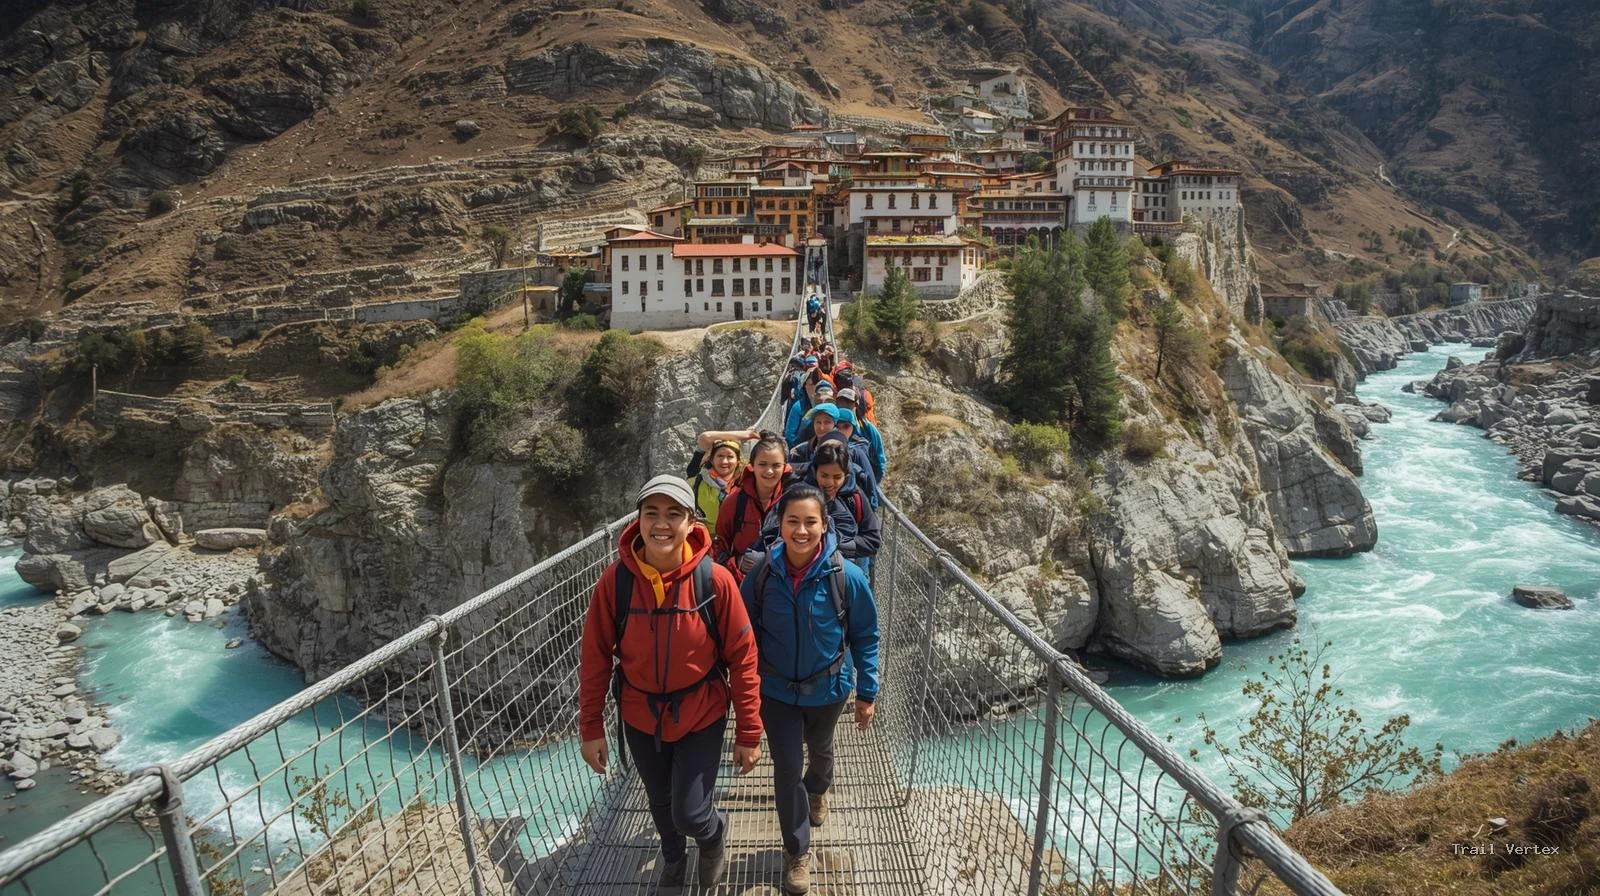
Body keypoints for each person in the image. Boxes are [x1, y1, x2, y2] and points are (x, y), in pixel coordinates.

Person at [579, 475, 763, 890]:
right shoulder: (616, 582)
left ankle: (713, 837)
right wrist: (591, 727)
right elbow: (594, 658)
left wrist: (749, 731)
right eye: (652, 513)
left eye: (673, 514)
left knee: (690, 812)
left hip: (701, 711)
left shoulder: (715, 581)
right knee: (660, 801)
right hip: (640, 714)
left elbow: (743, 658)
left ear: (690, 522)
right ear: (638, 520)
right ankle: (674, 859)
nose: (661, 523)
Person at [741, 483, 879, 895]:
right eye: (792, 522)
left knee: (820, 752)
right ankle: (796, 851)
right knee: (785, 770)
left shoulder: (847, 576)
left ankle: (819, 788)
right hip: (777, 692)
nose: (801, 531)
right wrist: (742, 692)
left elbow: (866, 635)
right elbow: (742, 636)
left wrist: (867, 692)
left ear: (824, 525)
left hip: (829, 688)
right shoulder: (762, 575)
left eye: (810, 522)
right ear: (779, 526)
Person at [715, 431, 790, 582]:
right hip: (742, 583)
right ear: (752, 466)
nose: (769, 471)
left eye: (776, 465)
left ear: (785, 468)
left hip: (782, 584)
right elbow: (720, 545)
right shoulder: (735, 501)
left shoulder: (792, 500)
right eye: (762, 464)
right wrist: (736, 565)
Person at [804, 438, 881, 574]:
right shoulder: (800, 495)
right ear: (815, 471)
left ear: (846, 475)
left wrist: (835, 545)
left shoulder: (855, 497)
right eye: (824, 475)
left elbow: (873, 540)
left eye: (837, 477)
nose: (829, 483)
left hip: (843, 572)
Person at [684, 430, 757, 528]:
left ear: (738, 461)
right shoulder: (696, 480)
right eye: (720, 456)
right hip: (707, 539)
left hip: (736, 538)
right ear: (711, 459)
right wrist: (746, 434)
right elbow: (705, 437)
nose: (724, 461)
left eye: (730, 457)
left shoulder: (746, 481)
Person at [833, 389, 886, 484]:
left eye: (849, 403)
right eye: (841, 403)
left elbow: (880, 459)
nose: (844, 406)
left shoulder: (868, 429)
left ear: (856, 405)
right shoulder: (830, 426)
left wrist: (873, 483)